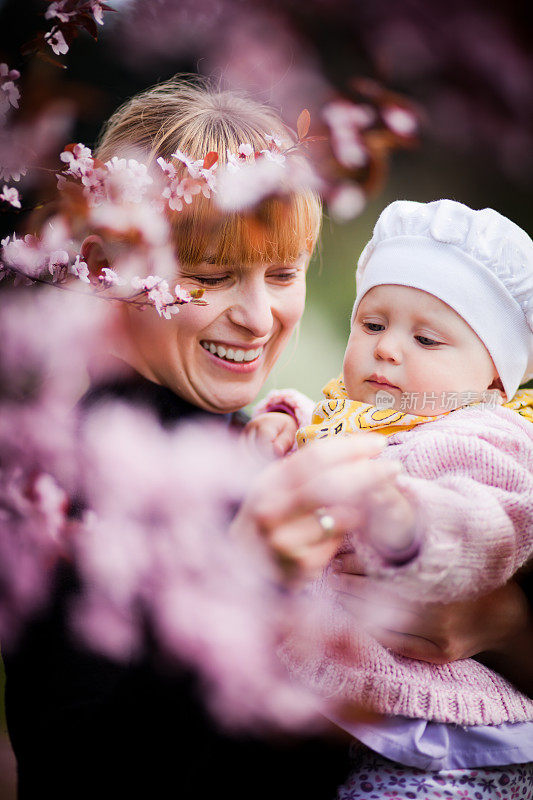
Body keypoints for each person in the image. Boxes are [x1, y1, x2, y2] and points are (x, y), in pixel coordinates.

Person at [2, 76, 530, 799]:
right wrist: (251, 573)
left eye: (283, 273)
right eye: (212, 276)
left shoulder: (273, 440)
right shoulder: (67, 488)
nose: (258, 318)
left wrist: (502, 626)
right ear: (105, 266)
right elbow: (82, 772)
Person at [248, 199, 533, 798]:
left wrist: (414, 525)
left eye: (426, 338)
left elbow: (494, 525)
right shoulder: (356, 414)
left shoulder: (488, 437)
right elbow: (321, 432)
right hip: (346, 703)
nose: (387, 349)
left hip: (438, 732)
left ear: (494, 378)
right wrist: (280, 424)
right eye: (373, 325)